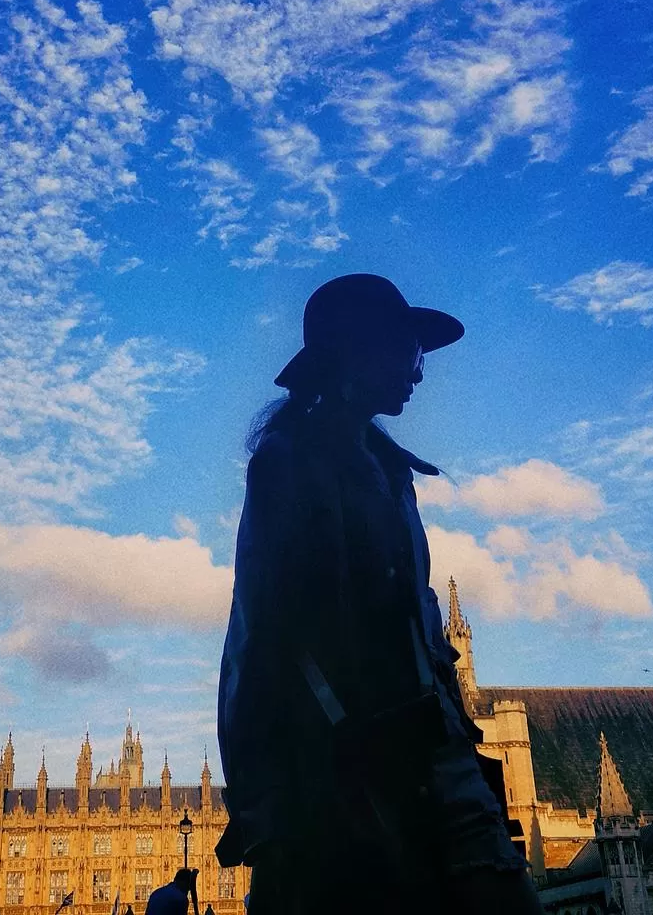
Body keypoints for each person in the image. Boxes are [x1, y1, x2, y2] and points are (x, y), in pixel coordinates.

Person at [216, 275, 542, 915]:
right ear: (356, 351)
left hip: (436, 753)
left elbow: (420, 627)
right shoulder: (289, 462)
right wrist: (264, 802)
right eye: (408, 349)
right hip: (350, 763)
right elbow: (260, 636)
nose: (420, 369)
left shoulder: (391, 470)